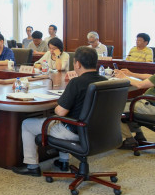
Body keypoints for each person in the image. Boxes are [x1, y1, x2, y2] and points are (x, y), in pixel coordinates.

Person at [12, 47, 107, 176]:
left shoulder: (76, 82)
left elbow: (60, 112)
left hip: (74, 132)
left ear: (78, 64)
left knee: (28, 124)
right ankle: (63, 161)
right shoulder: (104, 81)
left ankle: (32, 166)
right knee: (64, 118)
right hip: (98, 130)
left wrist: (58, 105)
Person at [115, 46, 155, 149]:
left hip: (152, 107)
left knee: (114, 110)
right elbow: (151, 77)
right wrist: (131, 74)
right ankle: (139, 135)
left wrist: (124, 77)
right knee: (128, 105)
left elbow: (140, 85)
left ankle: (129, 139)